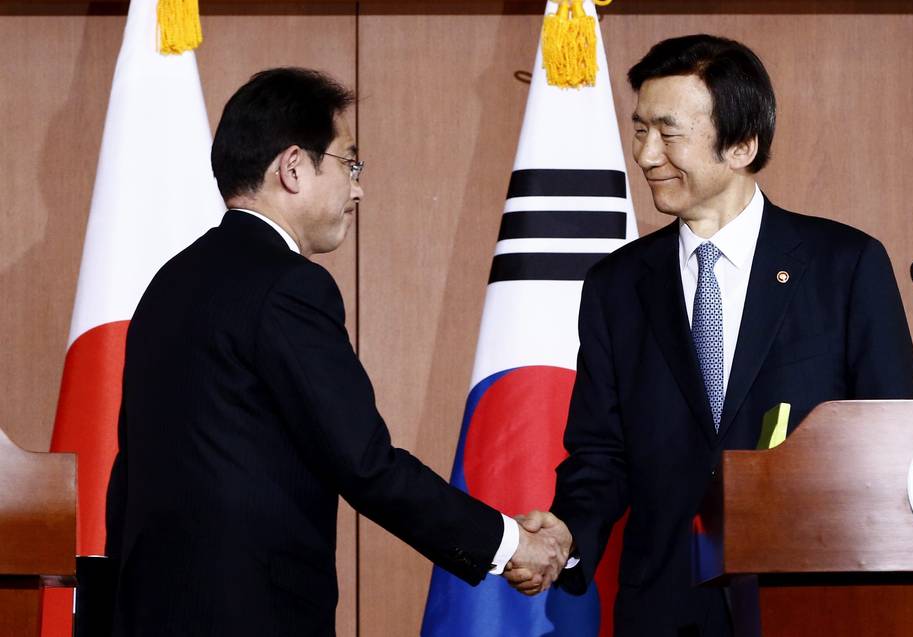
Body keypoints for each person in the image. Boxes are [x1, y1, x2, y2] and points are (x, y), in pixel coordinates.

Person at [104, 67, 567, 637]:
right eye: (350, 164)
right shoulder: (286, 285)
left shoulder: (168, 284)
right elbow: (364, 463)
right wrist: (508, 544)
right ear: (293, 167)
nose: (357, 188)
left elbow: (130, 473)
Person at [510, 35, 913, 635]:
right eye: (640, 130)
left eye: (668, 133)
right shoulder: (616, 285)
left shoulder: (845, 265)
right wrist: (566, 534)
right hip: (665, 608)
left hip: (811, 604)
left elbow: (893, 440)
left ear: (741, 145)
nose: (645, 154)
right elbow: (601, 455)